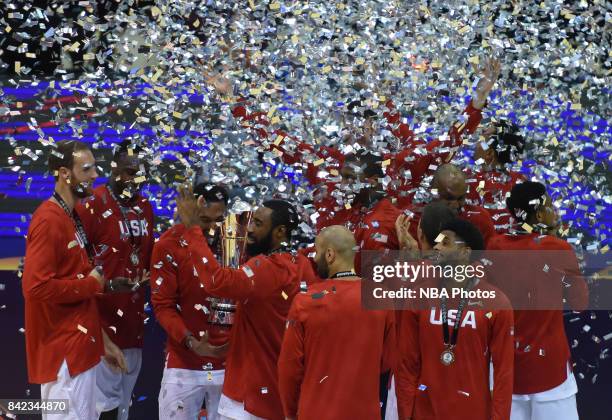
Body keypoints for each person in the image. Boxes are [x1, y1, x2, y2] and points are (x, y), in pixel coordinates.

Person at [175, 191, 317, 420]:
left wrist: (192, 228)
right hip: (277, 393)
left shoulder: (267, 268)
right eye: (251, 221)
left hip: (249, 401)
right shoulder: (302, 264)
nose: (249, 229)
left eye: (258, 224)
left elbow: (216, 281)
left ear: (280, 232)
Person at [22, 140, 128, 420]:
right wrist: (91, 284)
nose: (95, 175)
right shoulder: (48, 220)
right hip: (64, 357)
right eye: (86, 169)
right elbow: (35, 287)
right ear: (64, 173)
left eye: (94, 168)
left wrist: (103, 342)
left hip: (81, 350)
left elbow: (78, 287)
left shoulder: (73, 216)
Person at [487, 182, 588, 420]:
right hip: (549, 370)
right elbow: (580, 303)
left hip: (507, 367)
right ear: (540, 214)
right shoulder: (558, 248)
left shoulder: (494, 245)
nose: (556, 211)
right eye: (551, 206)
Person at [395, 219, 514, 420]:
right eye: (437, 242)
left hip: (473, 412)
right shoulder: (418, 296)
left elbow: (504, 373)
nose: (437, 247)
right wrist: (406, 415)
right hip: (426, 412)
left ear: (465, 252)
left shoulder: (496, 302)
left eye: (446, 242)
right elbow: (407, 365)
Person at [278, 225, 396, 420]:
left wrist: (290, 414)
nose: (315, 259)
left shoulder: (305, 301)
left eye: (317, 252)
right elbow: (387, 361)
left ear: (330, 254)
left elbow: (289, 369)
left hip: (315, 413)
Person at [75, 140, 154, 420]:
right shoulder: (91, 204)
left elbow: (143, 256)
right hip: (102, 325)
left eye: (140, 171)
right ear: (114, 168)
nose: (134, 178)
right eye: (128, 171)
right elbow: (77, 267)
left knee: (121, 408)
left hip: (133, 324)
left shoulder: (145, 207)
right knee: (101, 408)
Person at [151, 183, 230, 420]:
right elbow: (163, 305)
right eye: (205, 220)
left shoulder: (233, 243)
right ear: (192, 212)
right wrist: (191, 342)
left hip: (230, 367)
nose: (213, 227)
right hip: (184, 364)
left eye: (220, 219)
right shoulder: (168, 245)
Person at [402, 163, 496, 247]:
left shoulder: (480, 218)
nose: (455, 205)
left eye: (460, 199)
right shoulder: (411, 219)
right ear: (433, 193)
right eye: (449, 198)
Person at [467, 120, 527, 233]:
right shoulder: (523, 182)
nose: (476, 143)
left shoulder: (469, 181)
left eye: (481, 138)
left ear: (489, 153)